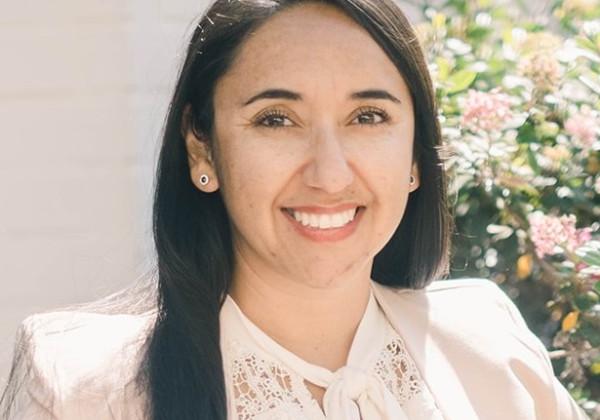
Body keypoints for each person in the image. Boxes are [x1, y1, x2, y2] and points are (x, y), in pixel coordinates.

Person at [0, 0, 590, 419]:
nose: (329, 173)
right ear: (201, 146)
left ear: (415, 156)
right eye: (275, 120)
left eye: (369, 117)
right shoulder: (80, 384)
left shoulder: (489, 343)